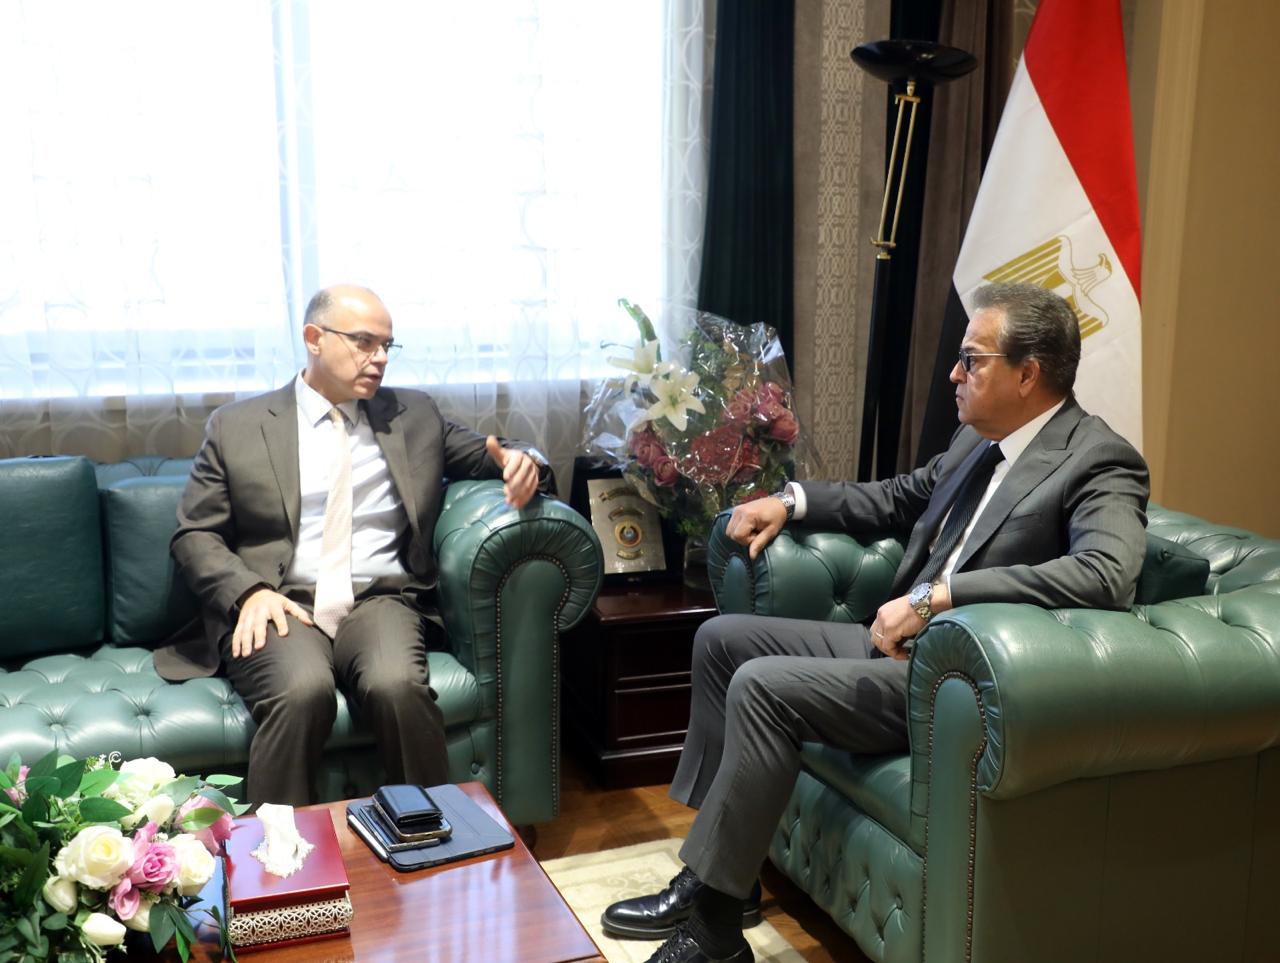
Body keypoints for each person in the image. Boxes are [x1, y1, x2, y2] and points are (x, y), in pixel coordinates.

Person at [601, 282, 1150, 963]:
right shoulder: (978, 440)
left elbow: (1104, 574)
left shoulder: (1099, 458)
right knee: (721, 641)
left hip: (951, 684)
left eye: (971, 360)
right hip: (891, 646)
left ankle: (715, 933)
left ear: (1027, 374)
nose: (953, 375)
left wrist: (939, 597)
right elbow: (897, 497)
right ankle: (722, 879)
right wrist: (789, 500)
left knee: (763, 688)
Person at [155, 284, 552, 805]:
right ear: (314, 338)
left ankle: (434, 833)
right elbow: (195, 533)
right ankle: (279, 848)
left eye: (387, 345)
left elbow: (495, 453)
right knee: (302, 693)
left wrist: (525, 462)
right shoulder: (238, 426)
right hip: (280, 602)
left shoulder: (413, 415)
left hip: (381, 600)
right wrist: (248, 591)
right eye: (364, 342)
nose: (380, 357)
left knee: (397, 687)